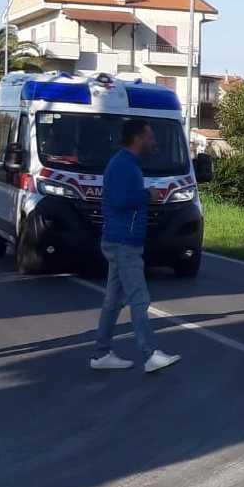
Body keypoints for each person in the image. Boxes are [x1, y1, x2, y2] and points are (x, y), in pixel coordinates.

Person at [90, 119, 180, 374]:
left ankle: (101, 352)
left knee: (114, 300)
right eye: (150, 137)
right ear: (137, 138)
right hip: (123, 241)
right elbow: (119, 200)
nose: (153, 142)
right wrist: (147, 196)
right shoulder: (123, 165)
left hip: (121, 239)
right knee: (139, 297)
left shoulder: (127, 164)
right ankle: (150, 353)